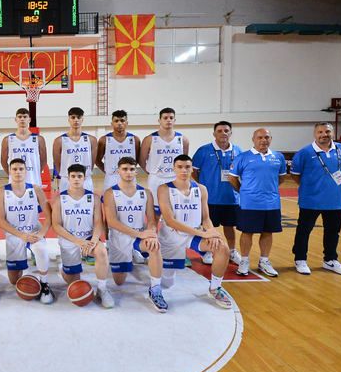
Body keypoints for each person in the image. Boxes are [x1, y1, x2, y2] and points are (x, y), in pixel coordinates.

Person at [158, 155, 233, 309]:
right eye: (180, 167)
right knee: (166, 283)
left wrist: (212, 232)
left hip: (193, 236)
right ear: (174, 168)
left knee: (222, 247)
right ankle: (154, 289)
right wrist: (204, 234)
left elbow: (206, 218)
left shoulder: (201, 189)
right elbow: (170, 221)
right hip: (171, 237)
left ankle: (215, 288)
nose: (184, 170)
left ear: (192, 169)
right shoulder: (164, 189)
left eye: (187, 167)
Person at [103, 157, 167, 313]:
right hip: (119, 238)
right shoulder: (110, 193)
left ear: (136, 171)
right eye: (124, 169)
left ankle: (155, 289)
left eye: (132, 169)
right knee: (119, 282)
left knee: (155, 246)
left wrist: (151, 233)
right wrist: (140, 233)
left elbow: (151, 220)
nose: (128, 172)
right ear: (118, 171)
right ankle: (128, 255)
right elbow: (112, 222)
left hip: (139, 237)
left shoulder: (146, 193)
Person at [290, 122, 341, 276]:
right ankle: (300, 259)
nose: (324, 134)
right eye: (320, 132)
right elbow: (295, 175)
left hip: (336, 201)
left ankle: (330, 260)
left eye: (327, 131)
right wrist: (310, 187)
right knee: (304, 231)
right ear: (315, 134)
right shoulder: (304, 153)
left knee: (333, 232)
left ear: (333, 133)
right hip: (310, 201)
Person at [51, 164, 114, 308]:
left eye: (79, 176)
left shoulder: (94, 198)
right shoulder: (59, 199)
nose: (76, 179)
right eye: (73, 176)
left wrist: (94, 240)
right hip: (69, 239)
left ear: (84, 178)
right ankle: (63, 269)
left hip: (88, 238)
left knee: (102, 251)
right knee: (74, 283)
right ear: (68, 178)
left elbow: (98, 222)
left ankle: (102, 289)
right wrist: (78, 242)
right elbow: (56, 225)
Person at [0, 158, 55, 304]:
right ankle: (30, 271)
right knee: (14, 281)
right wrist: (21, 235)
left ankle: (44, 283)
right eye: (14, 169)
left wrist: (41, 234)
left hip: (33, 231)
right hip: (14, 234)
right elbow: (0, 219)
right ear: (9, 171)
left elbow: (49, 216)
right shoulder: (2, 191)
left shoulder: (36, 189)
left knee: (41, 248)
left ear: (26, 171)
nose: (18, 172)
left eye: (21, 169)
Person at [228, 128, 286, 277]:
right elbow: (232, 178)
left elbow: (281, 178)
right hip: (249, 203)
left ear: (271, 139)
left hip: (272, 203)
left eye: (266, 137)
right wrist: (244, 191)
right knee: (247, 232)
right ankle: (244, 261)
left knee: (268, 232)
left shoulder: (278, 157)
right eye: (260, 137)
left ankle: (264, 261)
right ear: (253, 139)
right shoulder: (243, 157)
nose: (263, 140)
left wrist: (269, 190)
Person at [191, 121, 243, 266]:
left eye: (226, 130)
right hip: (210, 198)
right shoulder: (203, 150)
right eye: (219, 131)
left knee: (230, 227)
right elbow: (194, 171)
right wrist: (204, 184)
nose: (223, 133)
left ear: (230, 133)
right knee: (208, 227)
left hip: (231, 198)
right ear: (214, 133)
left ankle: (232, 251)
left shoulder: (238, 151)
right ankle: (208, 251)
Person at [139, 107, 189, 219]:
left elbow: (184, 160)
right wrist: (151, 172)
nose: (168, 120)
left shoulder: (183, 139)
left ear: (174, 120)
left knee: (176, 211)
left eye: (171, 118)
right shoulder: (150, 139)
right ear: (159, 120)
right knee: (155, 212)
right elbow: (141, 160)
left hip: (175, 178)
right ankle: (154, 230)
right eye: (165, 118)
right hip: (156, 178)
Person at [53, 107, 97, 192]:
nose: (76, 120)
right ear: (69, 119)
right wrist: (65, 174)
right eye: (73, 117)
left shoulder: (91, 139)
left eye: (79, 117)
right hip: (67, 179)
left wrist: (85, 172)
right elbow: (57, 162)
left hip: (85, 178)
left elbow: (92, 161)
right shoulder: (59, 140)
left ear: (82, 119)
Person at [0, 108, 47, 187]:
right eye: (20, 117)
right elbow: (3, 161)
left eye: (25, 117)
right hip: (15, 181)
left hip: (33, 180)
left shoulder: (39, 139)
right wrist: (12, 174)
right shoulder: (7, 139)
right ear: (16, 119)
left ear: (29, 119)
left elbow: (43, 160)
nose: (22, 119)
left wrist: (36, 173)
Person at [96, 109, 140, 191]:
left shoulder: (135, 139)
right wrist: (107, 171)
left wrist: (129, 170)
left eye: (122, 121)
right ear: (112, 123)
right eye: (116, 121)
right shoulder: (104, 140)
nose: (119, 123)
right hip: (111, 177)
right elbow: (97, 160)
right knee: (108, 198)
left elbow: (137, 159)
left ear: (127, 123)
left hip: (129, 177)